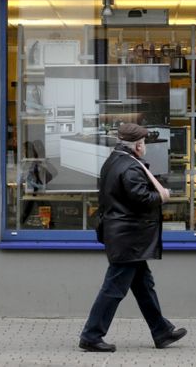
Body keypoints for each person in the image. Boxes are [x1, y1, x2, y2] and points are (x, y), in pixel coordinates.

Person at [79, 123, 187, 352]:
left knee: (144, 286)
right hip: (128, 238)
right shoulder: (129, 167)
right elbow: (140, 198)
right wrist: (162, 196)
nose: (145, 146)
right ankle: (91, 335)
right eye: (144, 142)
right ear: (137, 145)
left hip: (126, 237)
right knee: (114, 288)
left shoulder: (115, 160)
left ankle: (161, 331)